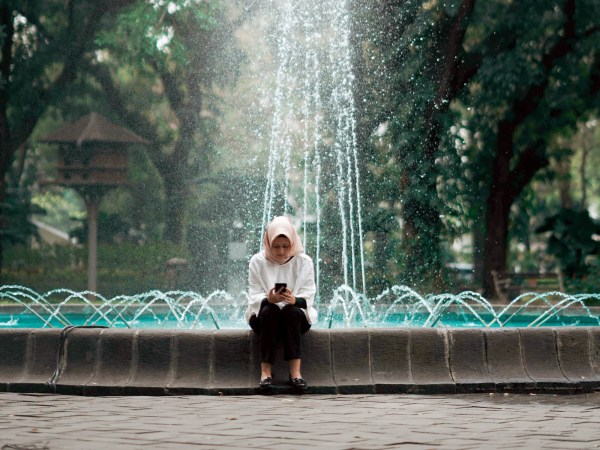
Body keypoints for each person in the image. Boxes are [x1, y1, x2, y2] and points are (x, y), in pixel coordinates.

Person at [246, 216, 317, 390]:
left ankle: (295, 373)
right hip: (264, 317)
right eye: (276, 246)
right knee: (271, 310)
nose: (281, 252)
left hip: (294, 317)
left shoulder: (304, 261)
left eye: (286, 246)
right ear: (268, 243)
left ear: (293, 243)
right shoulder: (257, 261)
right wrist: (268, 299)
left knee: (290, 311)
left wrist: (294, 300)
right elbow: (253, 294)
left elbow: (309, 294)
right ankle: (265, 373)